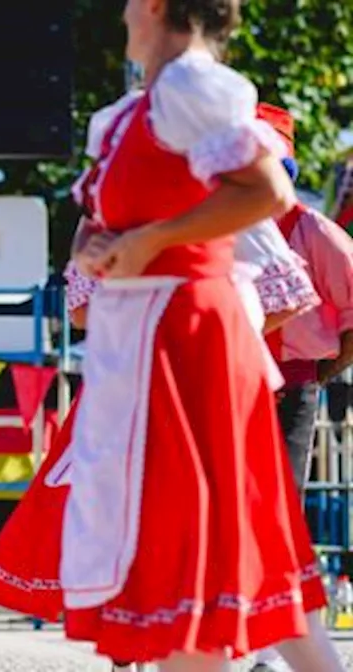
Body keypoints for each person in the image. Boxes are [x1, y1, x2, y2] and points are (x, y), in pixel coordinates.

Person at [0, 1, 343, 669]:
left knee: (191, 535)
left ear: (154, 7)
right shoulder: (129, 115)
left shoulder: (191, 85)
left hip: (189, 332)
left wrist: (148, 240)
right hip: (146, 338)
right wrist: (107, 246)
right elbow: (112, 213)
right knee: (208, 538)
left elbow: (265, 193)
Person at [250, 104, 353, 672]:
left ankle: (275, 644)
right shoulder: (223, 225)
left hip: (291, 387)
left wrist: (320, 372)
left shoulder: (312, 230)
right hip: (227, 388)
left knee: (280, 513)